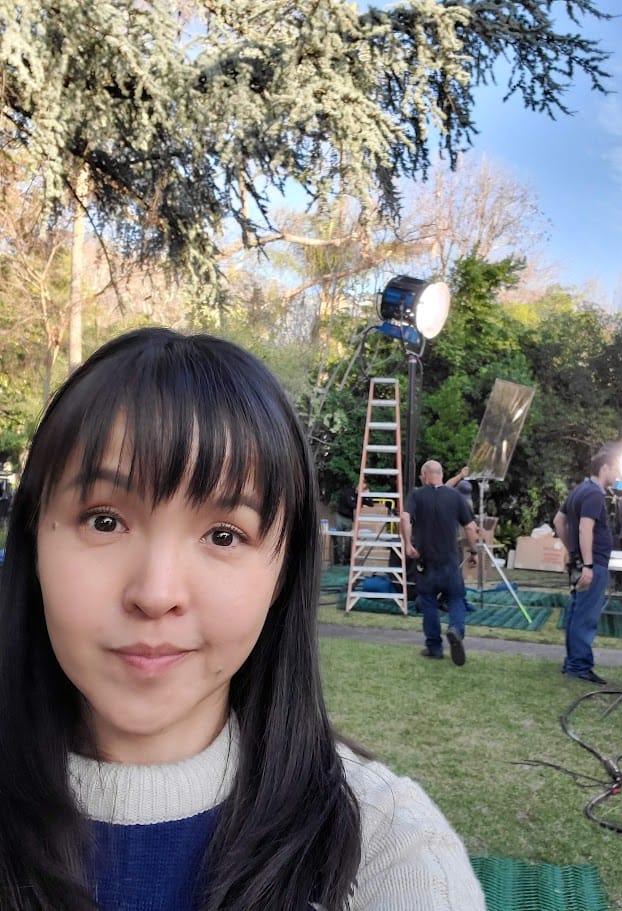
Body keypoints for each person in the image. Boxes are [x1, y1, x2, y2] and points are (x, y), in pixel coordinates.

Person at [0, 328, 486, 911]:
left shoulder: (391, 852)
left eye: (224, 535)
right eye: (104, 521)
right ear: (32, 541)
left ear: (283, 575)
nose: (156, 594)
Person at [400, 460, 479, 665]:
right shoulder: (455, 496)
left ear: (425, 475)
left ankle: (434, 648)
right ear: (441, 475)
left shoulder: (416, 495)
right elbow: (470, 528)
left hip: (425, 562)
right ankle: (456, 630)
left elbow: (405, 518)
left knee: (428, 602)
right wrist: (473, 552)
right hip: (449, 561)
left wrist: (408, 544)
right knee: (456, 598)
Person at [553, 448, 620, 685]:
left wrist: (573, 552)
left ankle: (573, 662)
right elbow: (585, 528)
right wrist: (588, 564)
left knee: (577, 612)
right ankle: (579, 666)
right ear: (605, 468)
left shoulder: (579, 490)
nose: (618, 474)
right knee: (586, 615)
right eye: (616, 469)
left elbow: (558, 521)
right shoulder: (594, 493)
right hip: (593, 564)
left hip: (579, 562)